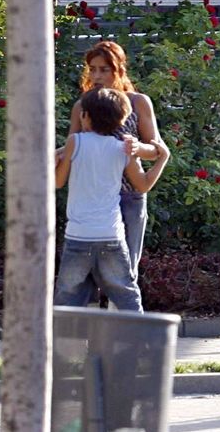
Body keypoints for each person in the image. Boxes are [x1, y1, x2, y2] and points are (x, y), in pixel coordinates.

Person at [54, 88, 167, 311]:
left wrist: (52, 161)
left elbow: (58, 182)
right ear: (121, 119)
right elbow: (143, 185)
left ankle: (63, 335)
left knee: (67, 296)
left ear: (85, 116)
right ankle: (136, 333)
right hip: (111, 235)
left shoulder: (75, 142)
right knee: (127, 295)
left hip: (78, 235)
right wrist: (162, 158)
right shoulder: (123, 149)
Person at [67, 41, 169, 282]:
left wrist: (138, 147)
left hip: (130, 193)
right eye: (92, 69)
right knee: (87, 275)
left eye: (104, 69)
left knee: (125, 271)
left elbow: (157, 148)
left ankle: (122, 307)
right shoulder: (82, 106)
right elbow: (72, 148)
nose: (96, 76)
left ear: (119, 70)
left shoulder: (138, 102)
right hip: (92, 195)